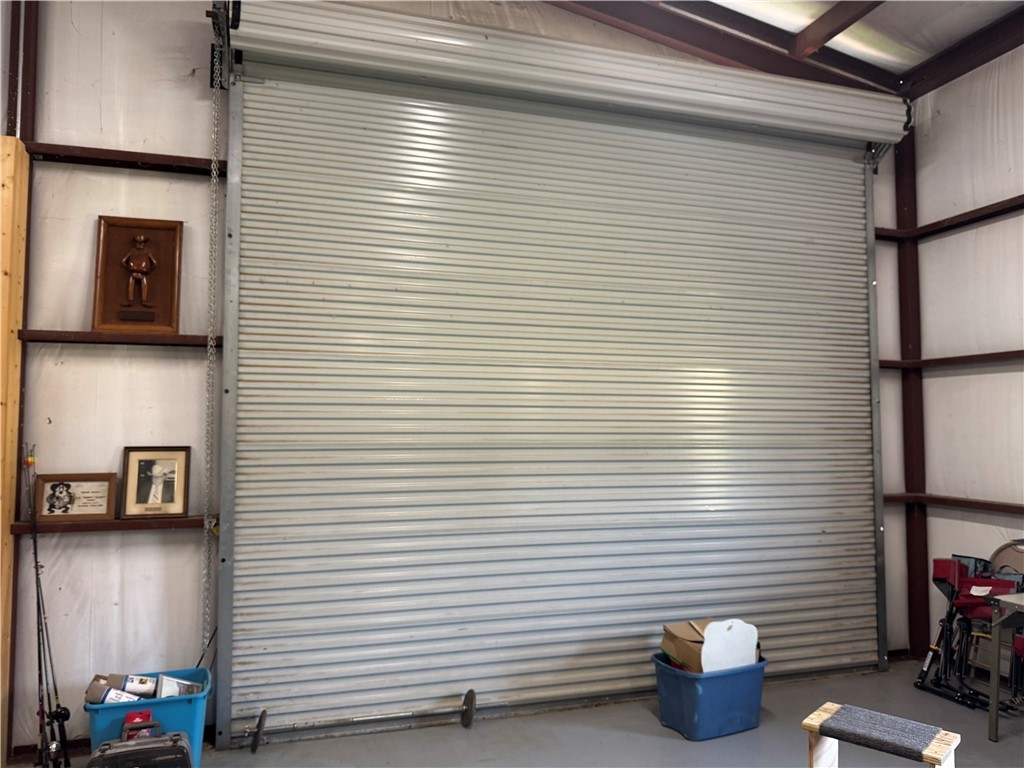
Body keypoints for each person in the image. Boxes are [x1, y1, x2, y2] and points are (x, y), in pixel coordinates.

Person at [121, 234, 158, 307]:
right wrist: (128, 268)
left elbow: (155, 263)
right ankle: (130, 301)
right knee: (131, 282)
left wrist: (149, 270)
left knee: (144, 283)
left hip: (143, 273)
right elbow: (123, 261)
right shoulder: (132, 251)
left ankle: (144, 301)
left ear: (143, 243)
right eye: (138, 243)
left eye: (141, 243)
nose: (139, 245)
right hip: (133, 273)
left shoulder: (147, 252)